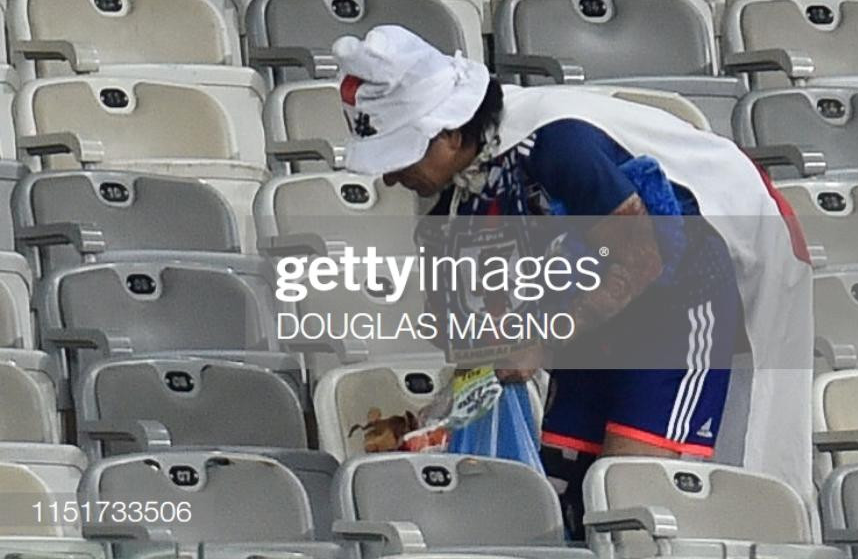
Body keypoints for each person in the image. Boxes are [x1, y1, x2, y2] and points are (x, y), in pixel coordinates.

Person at [333, 26, 814, 521]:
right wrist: (439, 417)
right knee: (567, 486)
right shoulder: (448, 196)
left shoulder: (557, 143)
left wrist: (540, 344)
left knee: (630, 489)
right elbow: (475, 341)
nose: (390, 177)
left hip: (688, 285)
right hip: (592, 308)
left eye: (400, 155)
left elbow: (643, 256)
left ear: (451, 132)